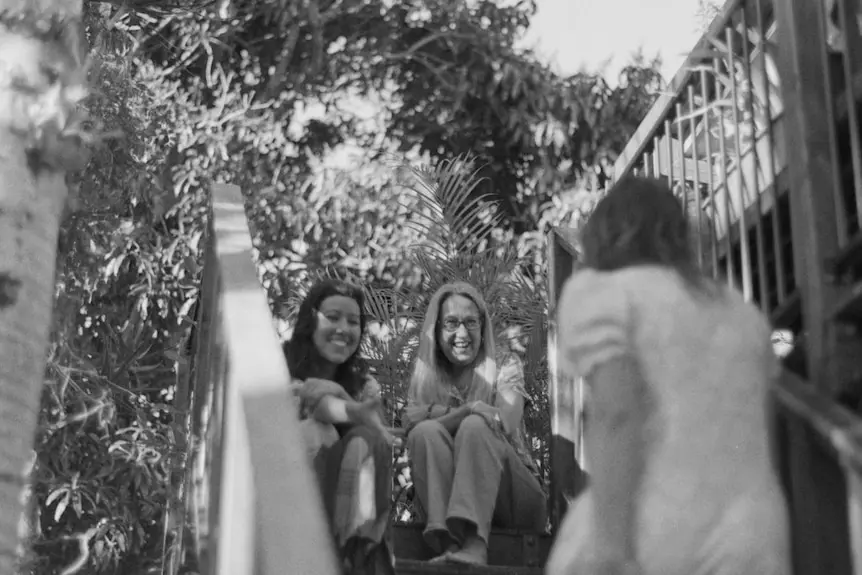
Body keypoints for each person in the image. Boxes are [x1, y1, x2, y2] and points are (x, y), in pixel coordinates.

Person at [546, 177, 791, 575]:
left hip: (659, 525)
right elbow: (766, 433)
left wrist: (611, 546)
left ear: (604, 232)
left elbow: (617, 413)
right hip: (756, 534)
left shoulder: (601, 292)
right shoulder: (743, 313)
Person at [403, 282, 547, 566]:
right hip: (446, 505)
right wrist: (467, 408)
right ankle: (448, 544)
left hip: (514, 499)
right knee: (425, 433)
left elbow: (504, 421)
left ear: (483, 327)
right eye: (452, 323)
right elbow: (412, 426)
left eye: (471, 322)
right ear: (436, 329)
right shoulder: (427, 377)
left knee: (476, 426)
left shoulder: (504, 362)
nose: (462, 333)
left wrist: (440, 414)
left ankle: (474, 545)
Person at [284, 279, 397, 575]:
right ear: (311, 320)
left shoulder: (364, 384)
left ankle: (356, 552)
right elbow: (315, 406)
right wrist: (352, 408)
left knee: (366, 439)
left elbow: (381, 440)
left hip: (348, 517)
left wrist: (346, 398)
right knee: (319, 431)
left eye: (353, 322)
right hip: (287, 503)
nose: (343, 329)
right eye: (332, 318)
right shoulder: (280, 365)